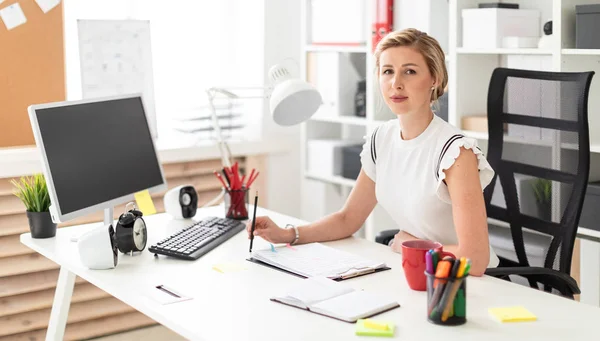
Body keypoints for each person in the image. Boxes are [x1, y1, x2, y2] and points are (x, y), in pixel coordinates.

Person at [246, 28, 499, 276]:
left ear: (434, 79)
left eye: (409, 71)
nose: (396, 83)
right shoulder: (382, 138)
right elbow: (348, 219)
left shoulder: (454, 152)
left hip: (465, 283)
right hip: (419, 272)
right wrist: (287, 234)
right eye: (388, 71)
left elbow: (475, 258)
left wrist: (411, 247)